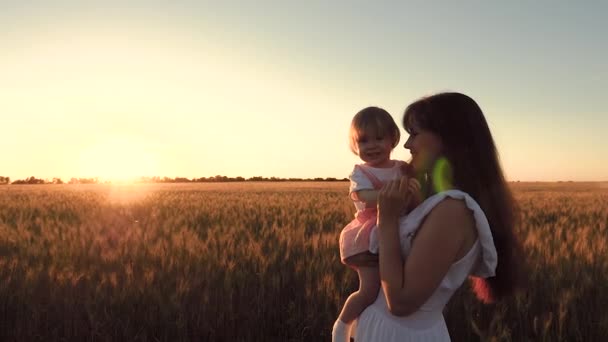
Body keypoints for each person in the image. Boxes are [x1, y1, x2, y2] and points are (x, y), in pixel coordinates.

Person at [353, 92, 525, 341]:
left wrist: (387, 221)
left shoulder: (452, 211)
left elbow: (400, 302)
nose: (407, 144)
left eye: (414, 132)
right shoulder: (441, 202)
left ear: (448, 137)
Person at [332, 106, 422, 342]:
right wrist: (392, 195)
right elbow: (363, 196)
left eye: (379, 138)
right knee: (370, 290)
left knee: (394, 289)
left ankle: (373, 331)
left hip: (399, 231)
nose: (371, 146)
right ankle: (341, 328)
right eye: (363, 141)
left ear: (393, 138)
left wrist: (413, 192)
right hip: (368, 237)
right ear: (355, 146)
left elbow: (415, 195)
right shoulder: (360, 173)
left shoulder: (403, 169)